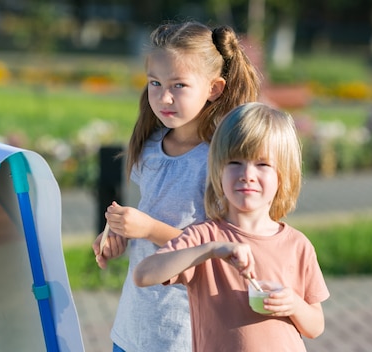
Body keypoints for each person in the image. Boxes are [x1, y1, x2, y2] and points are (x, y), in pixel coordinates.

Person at [92, 21, 261, 351]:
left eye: (179, 85)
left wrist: (148, 228)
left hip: (184, 333)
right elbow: (150, 219)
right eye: (155, 83)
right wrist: (117, 236)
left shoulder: (220, 161)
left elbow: (223, 251)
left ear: (214, 88)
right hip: (132, 328)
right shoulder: (151, 146)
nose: (163, 97)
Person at [133, 102, 330, 352]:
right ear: (218, 170)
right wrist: (211, 250)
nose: (247, 174)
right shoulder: (205, 237)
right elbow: (143, 275)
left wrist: (293, 304)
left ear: (283, 175)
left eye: (262, 164)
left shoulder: (297, 245)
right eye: (235, 162)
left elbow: (316, 326)